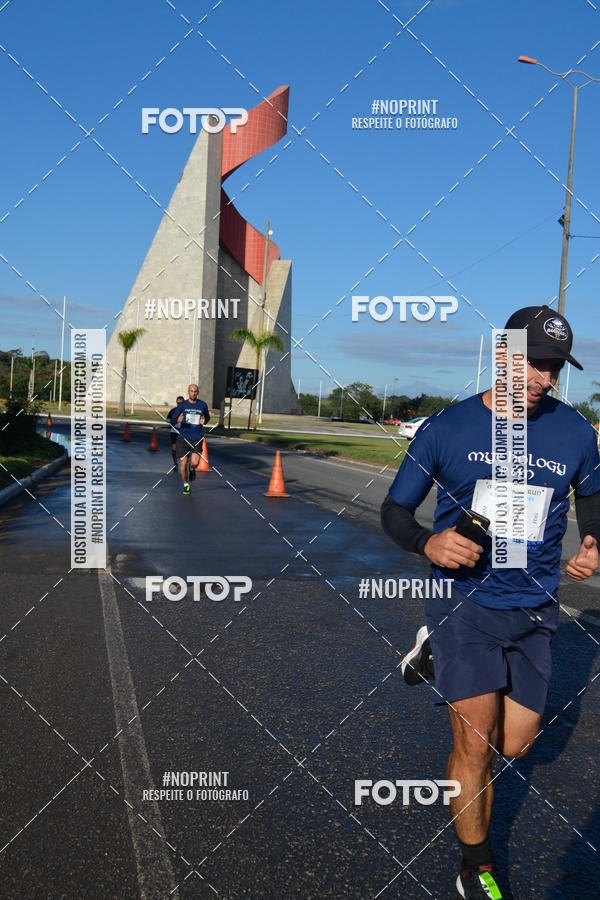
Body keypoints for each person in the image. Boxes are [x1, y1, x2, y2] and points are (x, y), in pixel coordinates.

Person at [381, 305, 600, 899]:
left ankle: (429, 654)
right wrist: (428, 540)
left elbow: (594, 498)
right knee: (474, 747)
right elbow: (394, 511)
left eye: (554, 367)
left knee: (518, 745)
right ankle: (475, 865)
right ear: (502, 353)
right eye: (534, 362)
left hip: (534, 608)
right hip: (464, 603)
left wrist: (591, 542)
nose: (544, 378)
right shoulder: (447, 429)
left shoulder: (576, 432)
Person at [174, 384, 210, 495]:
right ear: (188, 392)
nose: (193, 393)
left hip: (197, 438)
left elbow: (207, 417)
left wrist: (205, 421)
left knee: (194, 463)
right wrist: (177, 420)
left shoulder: (202, 405)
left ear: (197, 392)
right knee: (183, 463)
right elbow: (170, 419)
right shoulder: (182, 405)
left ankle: (192, 469)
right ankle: (186, 484)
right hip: (183, 438)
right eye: (191, 391)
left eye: (195, 391)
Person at [166, 395, 184, 470]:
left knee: (184, 447)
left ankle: (184, 462)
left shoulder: (186, 411)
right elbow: (167, 420)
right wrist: (175, 421)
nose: (179, 405)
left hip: (183, 431)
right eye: (178, 403)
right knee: (174, 446)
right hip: (174, 431)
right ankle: (175, 463)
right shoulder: (173, 410)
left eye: (181, 403)